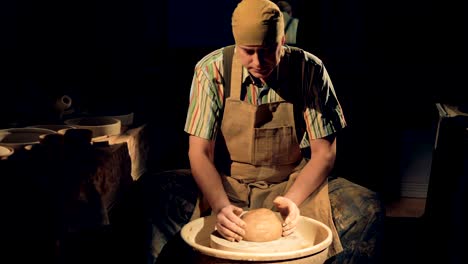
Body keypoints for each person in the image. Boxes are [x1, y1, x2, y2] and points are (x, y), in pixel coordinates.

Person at [142, 0, 384, 263]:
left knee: (366, 208)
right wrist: (221, 205)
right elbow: (199, 152)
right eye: (248, 52)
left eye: (267, 50)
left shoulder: (309, 71)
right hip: (228, 182)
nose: (258, 62)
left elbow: (324, 154)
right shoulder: (212, 70)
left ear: (282, 40)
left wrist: (291, 201)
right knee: (150, 197)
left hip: (292, 181)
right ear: (236, 44)